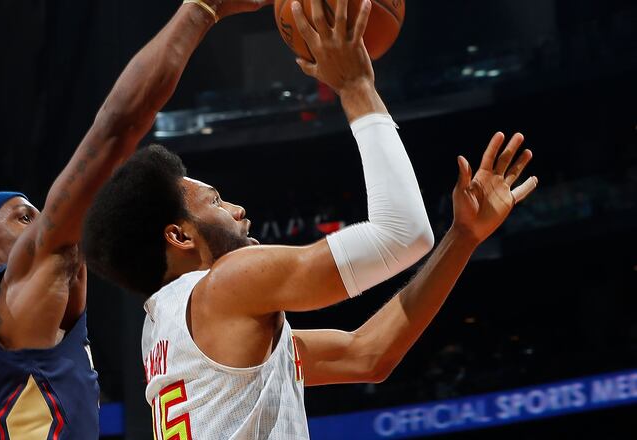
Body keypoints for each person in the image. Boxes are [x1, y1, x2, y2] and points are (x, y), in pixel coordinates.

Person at [82, 0, 539, 439]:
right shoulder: (226, 284)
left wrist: (462, 237)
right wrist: (357, 86)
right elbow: (403, 235)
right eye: (216, 201)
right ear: (179, 235)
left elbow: (368, 355)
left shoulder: (164, 331)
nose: (239, 210)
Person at [0, 1, 272, 438]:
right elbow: (116, 128)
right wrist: (202, 10)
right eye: (24, 219)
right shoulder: (16, 295)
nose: (48, 223)